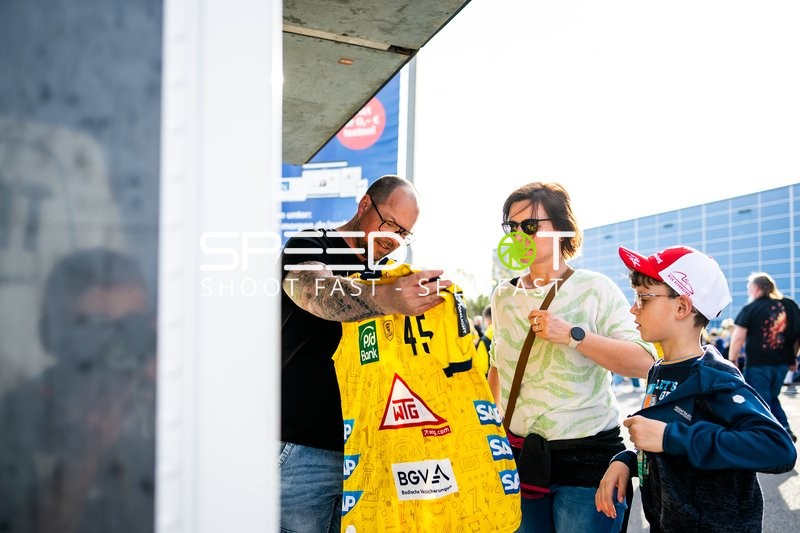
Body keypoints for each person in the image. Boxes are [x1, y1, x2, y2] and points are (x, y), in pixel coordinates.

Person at [280, 175, 451, 532]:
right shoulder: (310, 244)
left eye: (403, 233)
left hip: (367, 453)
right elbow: (314, 291)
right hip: (302, 449)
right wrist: (386, 298)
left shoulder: (387, 276)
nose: (393, 240)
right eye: (389, 225)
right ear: (364, 205)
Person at [487, 182, 656, 533]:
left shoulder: (595, 287)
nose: (519, 235)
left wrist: (573, 336)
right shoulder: (502, 297)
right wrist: (488, 435)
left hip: (588, 457)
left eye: (531, 226)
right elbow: (497, 369)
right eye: (511, 227)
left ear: (563, 228)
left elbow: (644, 362)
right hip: (518, 458)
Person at [596, 246, 797, 532]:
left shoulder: (715, 377)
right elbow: (666, 446)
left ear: (682, 307)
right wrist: (627, 460)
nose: (633, 308)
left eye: (643, 298)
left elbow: (778, 448)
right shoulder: (659, 369)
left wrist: (670, 436)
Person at [0, 248, 157, 533]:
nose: (121, 345)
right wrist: (84, 454)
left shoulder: (170, 407)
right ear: (53, 334)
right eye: (100, 327)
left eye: (134, 326)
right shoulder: (17, 418)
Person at [729, 272, 800, 442]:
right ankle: (784, 429)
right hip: (782, 363)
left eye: (749, 288)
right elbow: (798, 336)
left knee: (759, 400)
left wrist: (732, 360)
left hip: (758, 364)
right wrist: (793, 359)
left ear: (756, 288)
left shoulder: (751, 308)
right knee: (771, 397)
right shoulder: (788, 305)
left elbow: (738, 337)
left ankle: (770, 437)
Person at [474, 305, 493, 377]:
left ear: (487, 320)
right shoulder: (507, 335)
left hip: (491, 385)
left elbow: (481, 370)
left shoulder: (484, 341)